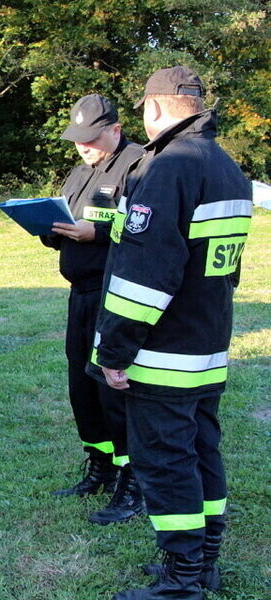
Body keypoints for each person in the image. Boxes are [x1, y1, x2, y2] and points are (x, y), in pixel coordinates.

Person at [88, 66, 252, 599]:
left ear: (153, 108)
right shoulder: (227, 166)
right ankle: (204, 563)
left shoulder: (168, 167)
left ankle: (182, 580)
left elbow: (145, 275)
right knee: (203, 451)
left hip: (162, 351)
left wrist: (113, 351)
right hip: (206, 343)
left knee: (165, 462)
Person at [41, 94, 146, 525]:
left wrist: (95, 232)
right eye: (78, 140)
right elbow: (69, 220)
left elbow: (143, 225)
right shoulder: (81, 170)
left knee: (112, 388)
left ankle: (131, 479)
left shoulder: (139, 164)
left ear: (116, 130)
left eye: (92, 138)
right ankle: (99, 464)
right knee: (81, 388)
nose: (83, 147)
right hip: (80, 293)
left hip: (114, 293)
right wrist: (49, 226)